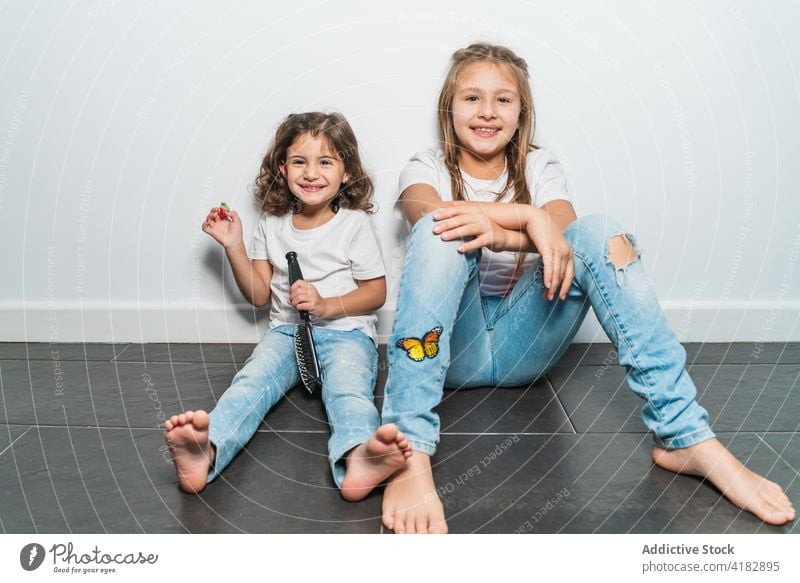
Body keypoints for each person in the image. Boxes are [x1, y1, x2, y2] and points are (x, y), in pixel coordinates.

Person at [378, 43, 796, 533]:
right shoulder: (423, 166)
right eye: (472, 98)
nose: (487, 111)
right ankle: (408, 450)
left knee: (602, 235)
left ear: (522, 112)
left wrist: (523, 224)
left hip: (523, 347)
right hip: (450, 350)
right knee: (438, 230)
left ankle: (684, 435)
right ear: (449, 109)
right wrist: (524, 217)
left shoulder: (539, 166)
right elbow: (430, 216)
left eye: (503, 100)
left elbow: (567, 241)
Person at [164, 111, 411, 500]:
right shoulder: (273, 223)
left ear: (346, 171)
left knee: (348, 391)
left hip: (345, 335)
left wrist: (327, 305)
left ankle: (357, 456)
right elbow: (260, 295)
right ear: (283, 169)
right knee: (251, 383)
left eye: (325, 161)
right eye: (300, 161)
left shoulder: (353, 224)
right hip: (286, 333)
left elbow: (376, 292)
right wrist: (234, 246)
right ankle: (206, 451)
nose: (311, 172)